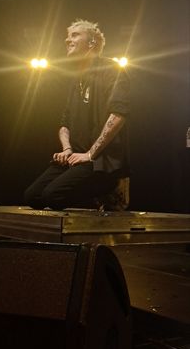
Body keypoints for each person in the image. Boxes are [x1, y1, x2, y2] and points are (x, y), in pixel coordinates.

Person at [24, 19, 130, 210]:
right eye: (67, 36)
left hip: (98, 160)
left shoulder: (111, 70)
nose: (67, 40)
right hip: (76, 157)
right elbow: (65, 123)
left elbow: (118, 115)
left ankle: (109, 190)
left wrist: (90, 154)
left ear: (91, 43)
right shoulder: (77, 80)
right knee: (32, 197)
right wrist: (67, 150)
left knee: (52, 196)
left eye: (74, 35)